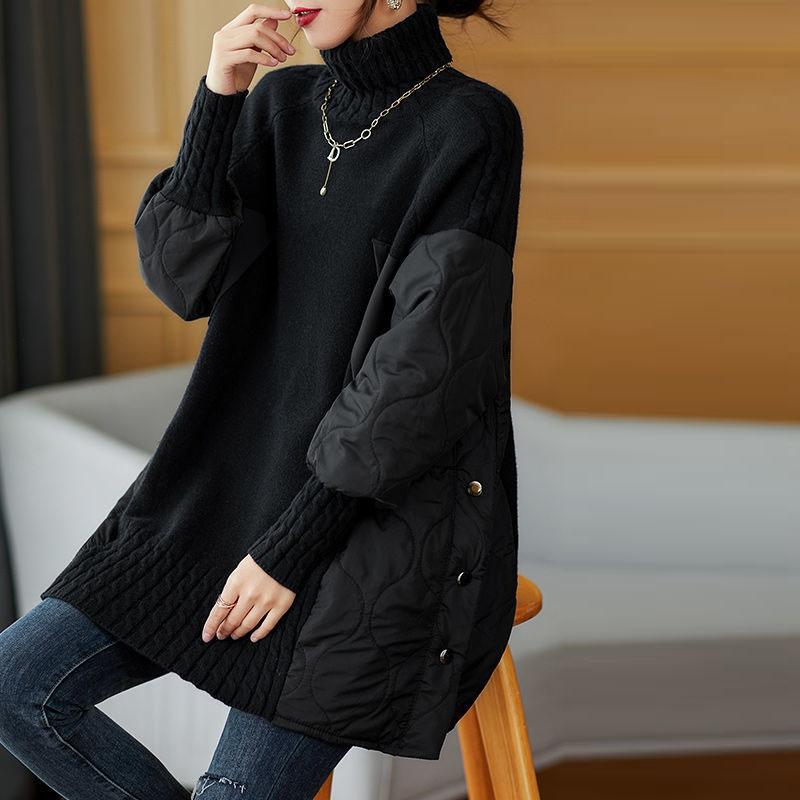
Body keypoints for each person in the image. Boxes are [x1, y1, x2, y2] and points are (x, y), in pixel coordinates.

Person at [0, 0, 524, 797]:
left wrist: (289, 550)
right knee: (16, 685)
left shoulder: (470, 124)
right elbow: (183, 279)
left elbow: (421, 371)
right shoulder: (280, 105)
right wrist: (219, 98)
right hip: (218, 504)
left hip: (362, 534)